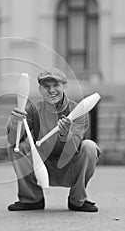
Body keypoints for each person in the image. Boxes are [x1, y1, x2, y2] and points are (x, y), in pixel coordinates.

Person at [7, 67, 101, 212]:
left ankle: (77, 200)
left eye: (56, 85)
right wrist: (15, 123)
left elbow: (74, 146)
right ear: (40, 89)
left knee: (89, 147)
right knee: (16, 147)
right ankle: (32, 199)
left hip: (69, 167)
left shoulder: (78, 111)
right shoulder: (32, 110)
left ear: (64, 86)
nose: (51, 90)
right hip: (41, 166)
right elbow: (14, 141)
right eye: (46, 86)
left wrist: (65, 135)